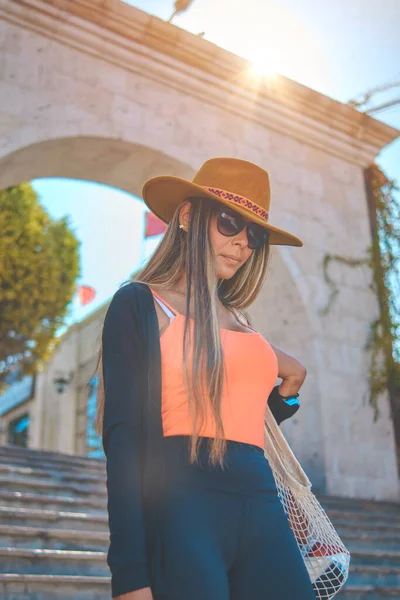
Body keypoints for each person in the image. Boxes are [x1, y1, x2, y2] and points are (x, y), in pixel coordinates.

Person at [95, 157, 315, 600]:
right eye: (230, 223)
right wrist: (130, 575)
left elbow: (241, 414)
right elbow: (123, 443)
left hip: (261, 503)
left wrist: (286, 388)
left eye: (254, 235)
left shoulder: (240, 319)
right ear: (189, 215)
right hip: (182, 508)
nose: (242, 244)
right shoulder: (140, 304)